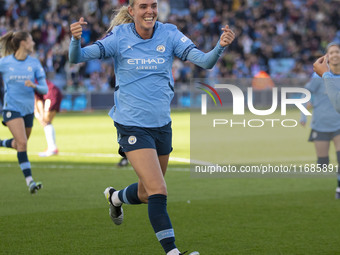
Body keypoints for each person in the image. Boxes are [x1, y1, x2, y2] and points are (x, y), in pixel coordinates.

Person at [69, 0, 235, 254]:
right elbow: (77, 57)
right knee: (159, 190)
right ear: (132, 11)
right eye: (143, 6)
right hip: (132, 125)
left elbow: (205, 62)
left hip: (161, 125)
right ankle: (173, 251)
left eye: (154, 5)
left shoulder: (169, 33)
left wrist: (220, 47)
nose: (150, 11)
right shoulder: (119, 37)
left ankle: (115, 197)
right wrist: (75, 40)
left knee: (148, 192)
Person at [0, 31, 48, 194]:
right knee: (22, 143)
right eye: (31, 40)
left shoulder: (34, 63)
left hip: (28, 110)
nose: (33, 43)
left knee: (20, 143)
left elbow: (45, 88)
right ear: (23, 43)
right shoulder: (5, 63)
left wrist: (34, 86)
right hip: (11, 108)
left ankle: (1, 143)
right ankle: (30, 182)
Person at [312, 42, 340, 199]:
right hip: (322, 123)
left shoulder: (324, 76)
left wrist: (326, 75)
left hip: (338, 124)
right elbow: (307, 93)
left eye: (337, 52)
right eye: (331, 52)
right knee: (323, 163)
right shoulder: (317, 78)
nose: (335, 55)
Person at [34, 79, 62, 157]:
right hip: (53, 93)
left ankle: (52, 148)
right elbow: (38, 100)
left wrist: (38, 115)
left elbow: (36, 101)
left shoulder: (29, 81)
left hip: (51, 94)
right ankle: (52, 147)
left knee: (46, 121)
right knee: (46, 122)